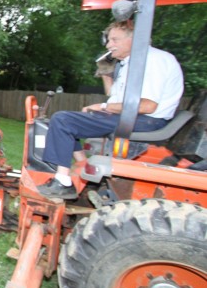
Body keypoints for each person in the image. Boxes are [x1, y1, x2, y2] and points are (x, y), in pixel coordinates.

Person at [39, 20, 184, 198]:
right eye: (109, 40)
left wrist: (103, 106)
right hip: (136, 117)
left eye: (115, 40)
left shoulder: (153, 60)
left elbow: (148, 105)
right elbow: (116, 98)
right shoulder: (128, 63)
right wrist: (106, 75)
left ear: (135, 39)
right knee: (74, 119)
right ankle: (82, 165)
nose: (109, 45)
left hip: (148, 120)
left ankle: (62, 181)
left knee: (63, 120)